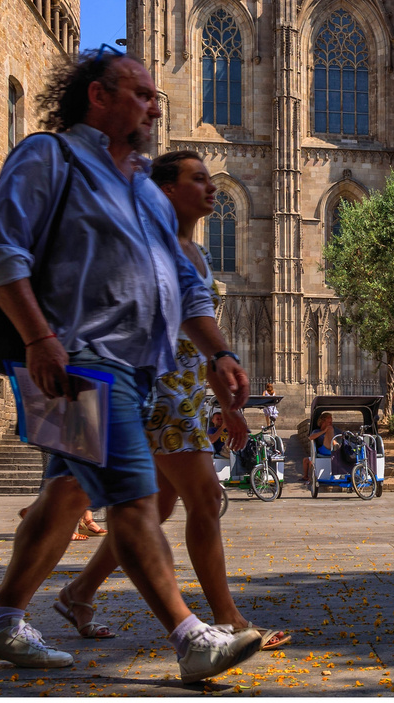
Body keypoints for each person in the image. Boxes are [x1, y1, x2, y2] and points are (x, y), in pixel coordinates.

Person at [0, 51, 261, 679]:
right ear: (99, 97)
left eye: (156, 97)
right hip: (77, 361)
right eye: (144, 94)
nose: (156, 106)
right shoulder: (50, 157)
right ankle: (191, 637)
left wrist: (220, 353)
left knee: (65, 497)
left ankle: (0, 621)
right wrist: (40, 339)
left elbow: (185, 286)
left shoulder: (142, 191)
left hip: (133, 370)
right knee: (135, 496)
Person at [53, 152, 289, 651]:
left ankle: (77, 592)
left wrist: (224, 402)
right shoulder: (150, 245)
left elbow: (196, 332)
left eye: (209, 178)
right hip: (153, 386)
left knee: (153, 506)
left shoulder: (196, 255)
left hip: (183, 390)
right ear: (164, 191)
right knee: (201, 498)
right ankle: (227, 621)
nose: (210, 186)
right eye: (196, 178)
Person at [303, 412, 337, 487]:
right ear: (323, 422)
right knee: (331, 431)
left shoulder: (334, 429)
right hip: (323, 449)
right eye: (329, 422)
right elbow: (310, 438)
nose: (331, 424)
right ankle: (335, 445)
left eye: (331, 422)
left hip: (334, 450)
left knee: (333, 433)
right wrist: (325, 431)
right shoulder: (317, 431)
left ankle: (336, 445)